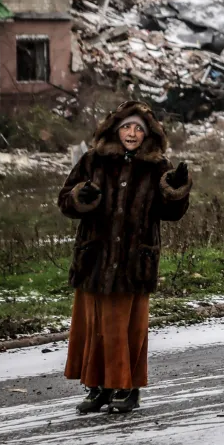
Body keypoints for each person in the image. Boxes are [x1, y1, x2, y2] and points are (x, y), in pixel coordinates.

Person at [58, 101, 192, 414]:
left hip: (135, 262)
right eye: (126, 127)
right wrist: (81, 198)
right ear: (115, 130)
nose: (131, 133)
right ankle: (97, 389)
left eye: (138, 129)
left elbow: (171, 214)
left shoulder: (157, 167)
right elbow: (65, 201)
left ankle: (127, 389)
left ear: (148, 135)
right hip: (95, 259)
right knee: (95, 328)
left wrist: (177, 191)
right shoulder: (93, 161)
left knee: (128, 330)